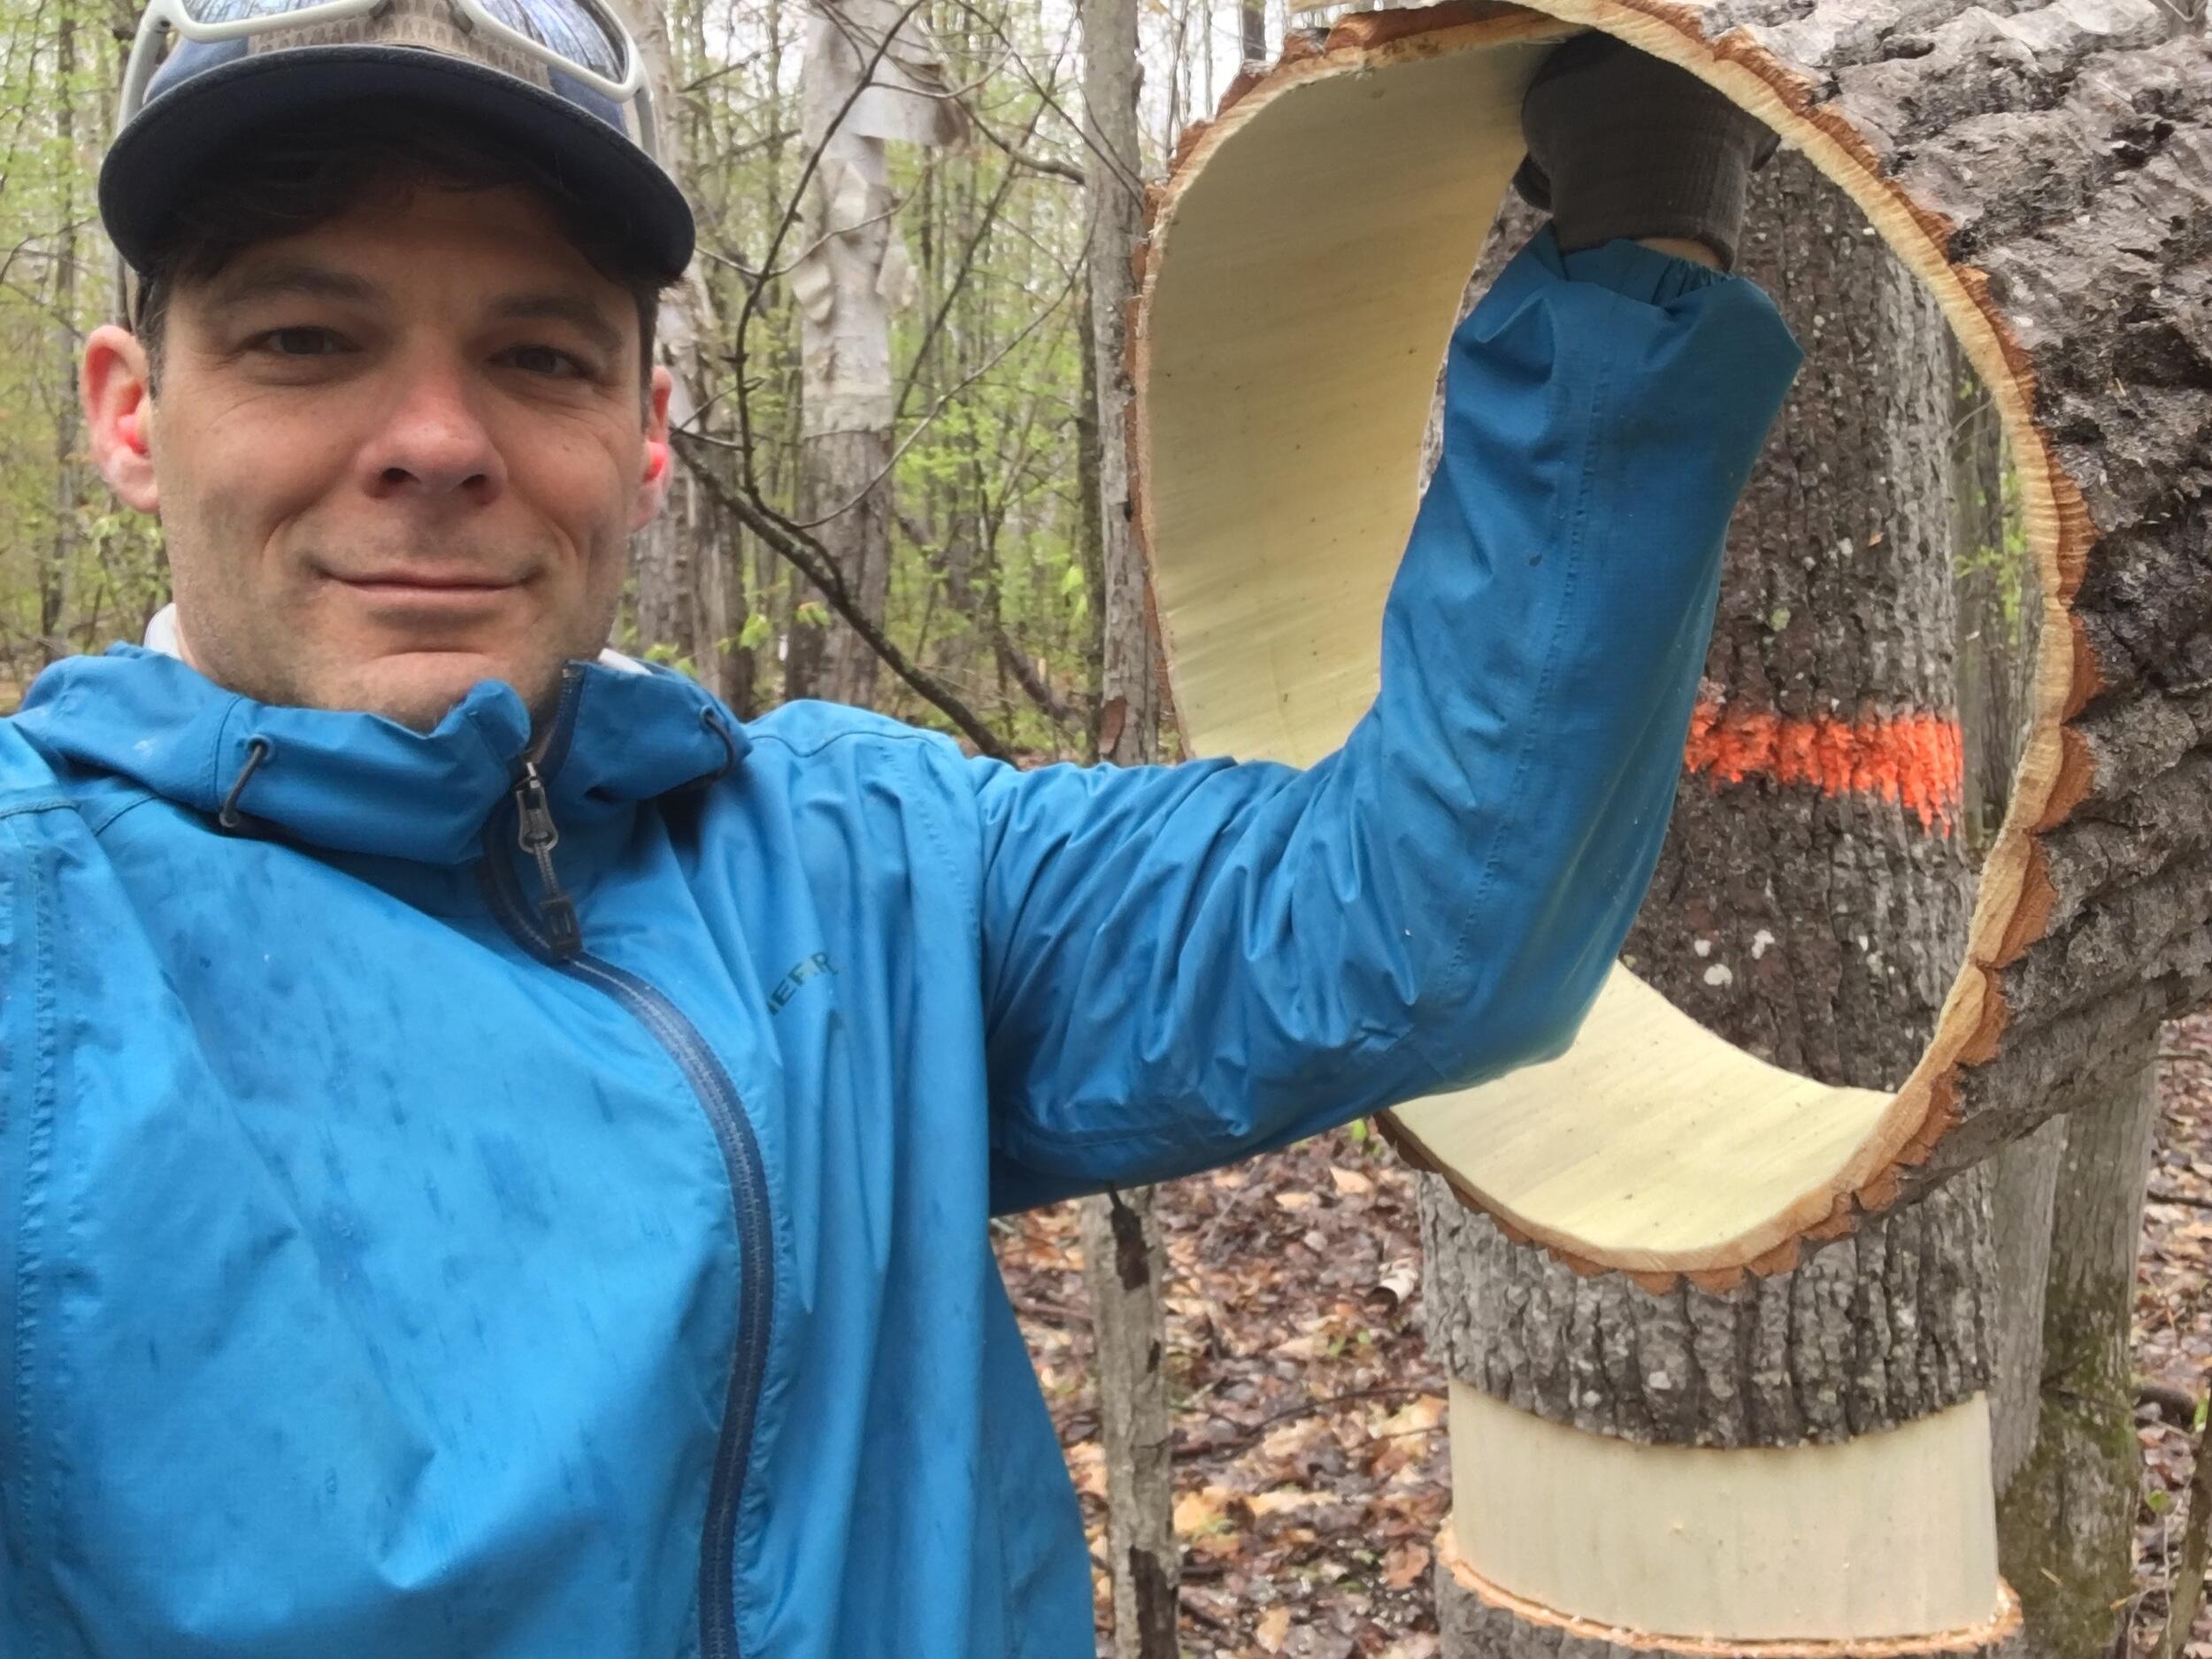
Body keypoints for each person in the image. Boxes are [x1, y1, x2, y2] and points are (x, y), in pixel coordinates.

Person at [0, 1, 1800, 1653]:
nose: (432, 439)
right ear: (132, 413)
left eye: (538, 355)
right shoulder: (44, 937)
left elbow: (1418, 923)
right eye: (306, 340)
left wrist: (1636, 204)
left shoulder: (868, 865)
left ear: (645, 435)